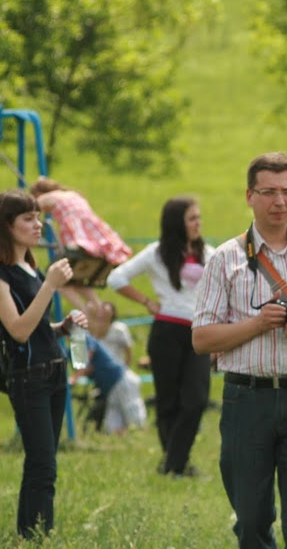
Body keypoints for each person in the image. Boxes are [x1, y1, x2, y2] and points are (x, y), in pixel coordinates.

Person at [192, 152, 287, 549]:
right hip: (246, 398)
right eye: (269, 192)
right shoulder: (225, 258)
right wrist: (258, 324)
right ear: (249, 196)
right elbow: (202, 338)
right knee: (251, 519)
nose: (280, 201)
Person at [0, 189, 87, 539]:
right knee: (42, 464)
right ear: (7, 226)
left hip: (54, 370)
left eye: (38, 217)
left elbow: (35, 326)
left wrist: (62, 327)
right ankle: (35, 537)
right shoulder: (4, 275)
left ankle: (31, 535)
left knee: (44, 462)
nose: (38, 225)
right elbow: (18, 331)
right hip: (29, 377)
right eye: (28, 218)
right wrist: (50, 286)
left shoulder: (30, 269)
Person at [107, 196, 214, 477]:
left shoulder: (209, 254)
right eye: (192, 218)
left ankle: (172, 463)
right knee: (168, 402)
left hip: (198, 333)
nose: (198, 223)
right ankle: (178, 465)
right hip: (166, 331)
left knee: (196, 399)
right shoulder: (155, 254)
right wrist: (146, 301)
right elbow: (116, 278)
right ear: (177, 222)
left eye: (199, 217)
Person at [29, 176, 132, 310]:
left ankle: (86, 313)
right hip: (96, 238)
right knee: (80, 283)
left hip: (78, 239)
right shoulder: (73, 195)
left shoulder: (48, 197)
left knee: (58, 281)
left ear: (39, 193)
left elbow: (28, 208)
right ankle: (99, 310)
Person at [69, 334, 147, 434]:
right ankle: (124, 441)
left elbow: (86, 359)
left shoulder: (85, 338)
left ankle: (142, 436)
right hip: (110, 388)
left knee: (135, 419)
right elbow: (87, 368)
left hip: (122, 380)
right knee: (113, 426)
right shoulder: (73, 347)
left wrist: (74, 378)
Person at [86, 300, 134, 365]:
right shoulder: (88, 329)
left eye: (105, 313)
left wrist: (124, 368)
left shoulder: (120, 329)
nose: (102, 315)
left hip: (116, 366)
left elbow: (128, 352)